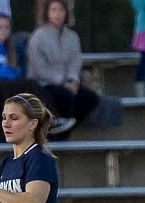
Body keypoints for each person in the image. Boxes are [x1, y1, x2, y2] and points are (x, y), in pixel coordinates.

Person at [0, 14, 73, 142]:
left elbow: (15, 72)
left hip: (2, 87)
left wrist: (9, 73)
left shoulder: (7, 48)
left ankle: (47, 122)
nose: (3, 31)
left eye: (6, 27)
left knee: (36, 88)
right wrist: (5, 73)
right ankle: (49, 120)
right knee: (29, 85)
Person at [28, 0, 99, 139]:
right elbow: (38, 68)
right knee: (65, 97)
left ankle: (65, 132)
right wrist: (61, 81)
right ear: (47, 13)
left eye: (61, 10)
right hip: (44, 83)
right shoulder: (38, 37)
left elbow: (75, 62)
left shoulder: (72, 37)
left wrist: (72, 80)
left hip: (68, 82)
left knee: (90, 99)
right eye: (53, 10)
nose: (57, 14)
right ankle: (56, 134)